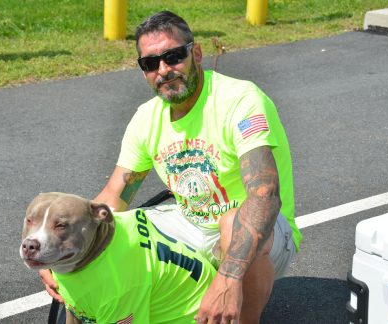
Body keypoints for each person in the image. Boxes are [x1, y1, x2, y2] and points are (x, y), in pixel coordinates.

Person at [40, 10, 303, 323]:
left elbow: (265, 195)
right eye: (151, 63)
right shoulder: (146, 119)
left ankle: (239, 311)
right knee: (125, 230)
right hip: (194, 226)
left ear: (197, 53)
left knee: (234, 224)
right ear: (144, 72)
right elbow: (114, 197)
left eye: (174, 56)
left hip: (264, 236)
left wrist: (227, 279)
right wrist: (58, 244)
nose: (164, 70)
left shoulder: (241, 101)